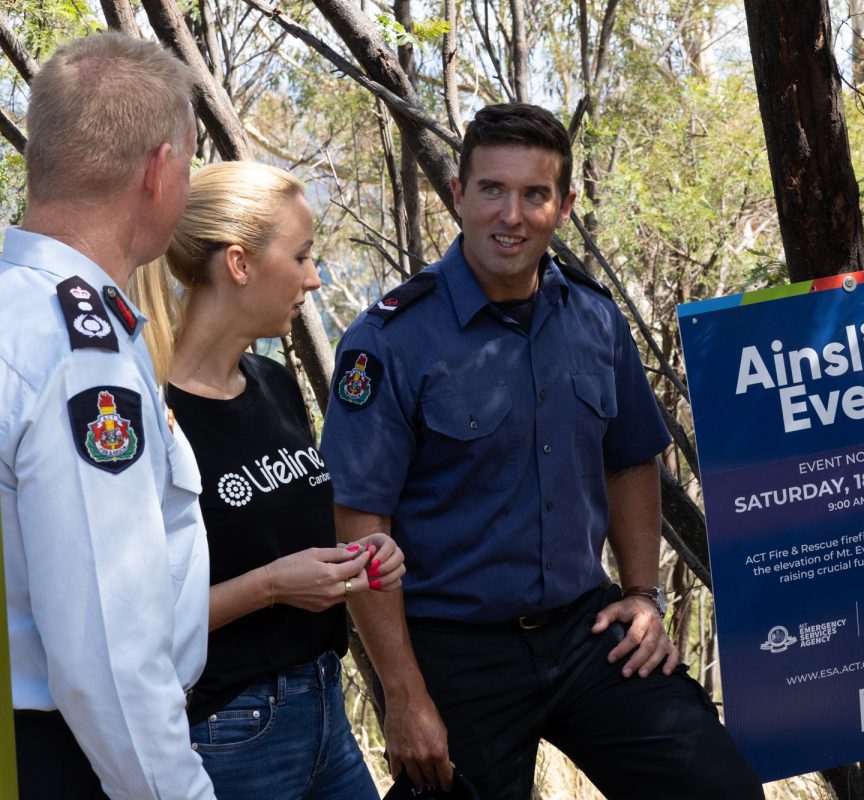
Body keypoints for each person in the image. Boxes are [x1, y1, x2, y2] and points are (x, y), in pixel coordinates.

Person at [321, 103, 764, 799]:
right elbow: (359, 526)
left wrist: (644, 595)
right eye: (492, 189)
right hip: (454, 651)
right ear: (458, 195)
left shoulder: (592, 317)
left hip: (585, 629)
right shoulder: (390, 341)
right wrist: (403, 692)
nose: (511, 214)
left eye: (535, 194)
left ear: (563, 206)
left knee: (718, 785)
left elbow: (630, 459)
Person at [133, 160, 405, 798]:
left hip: (324, 708)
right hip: (228, 731)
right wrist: (272, 587)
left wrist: (363, 559)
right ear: (239, 264)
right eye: (303, 256)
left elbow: (294, 540)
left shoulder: (275, 382)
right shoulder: (153, 416)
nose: (314, 279)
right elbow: (135, 623)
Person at [0, 32, 215, 799]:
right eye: (189, 165)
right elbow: (109, 659)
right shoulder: (76, 352)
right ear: (159, 170)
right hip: (66, 756)